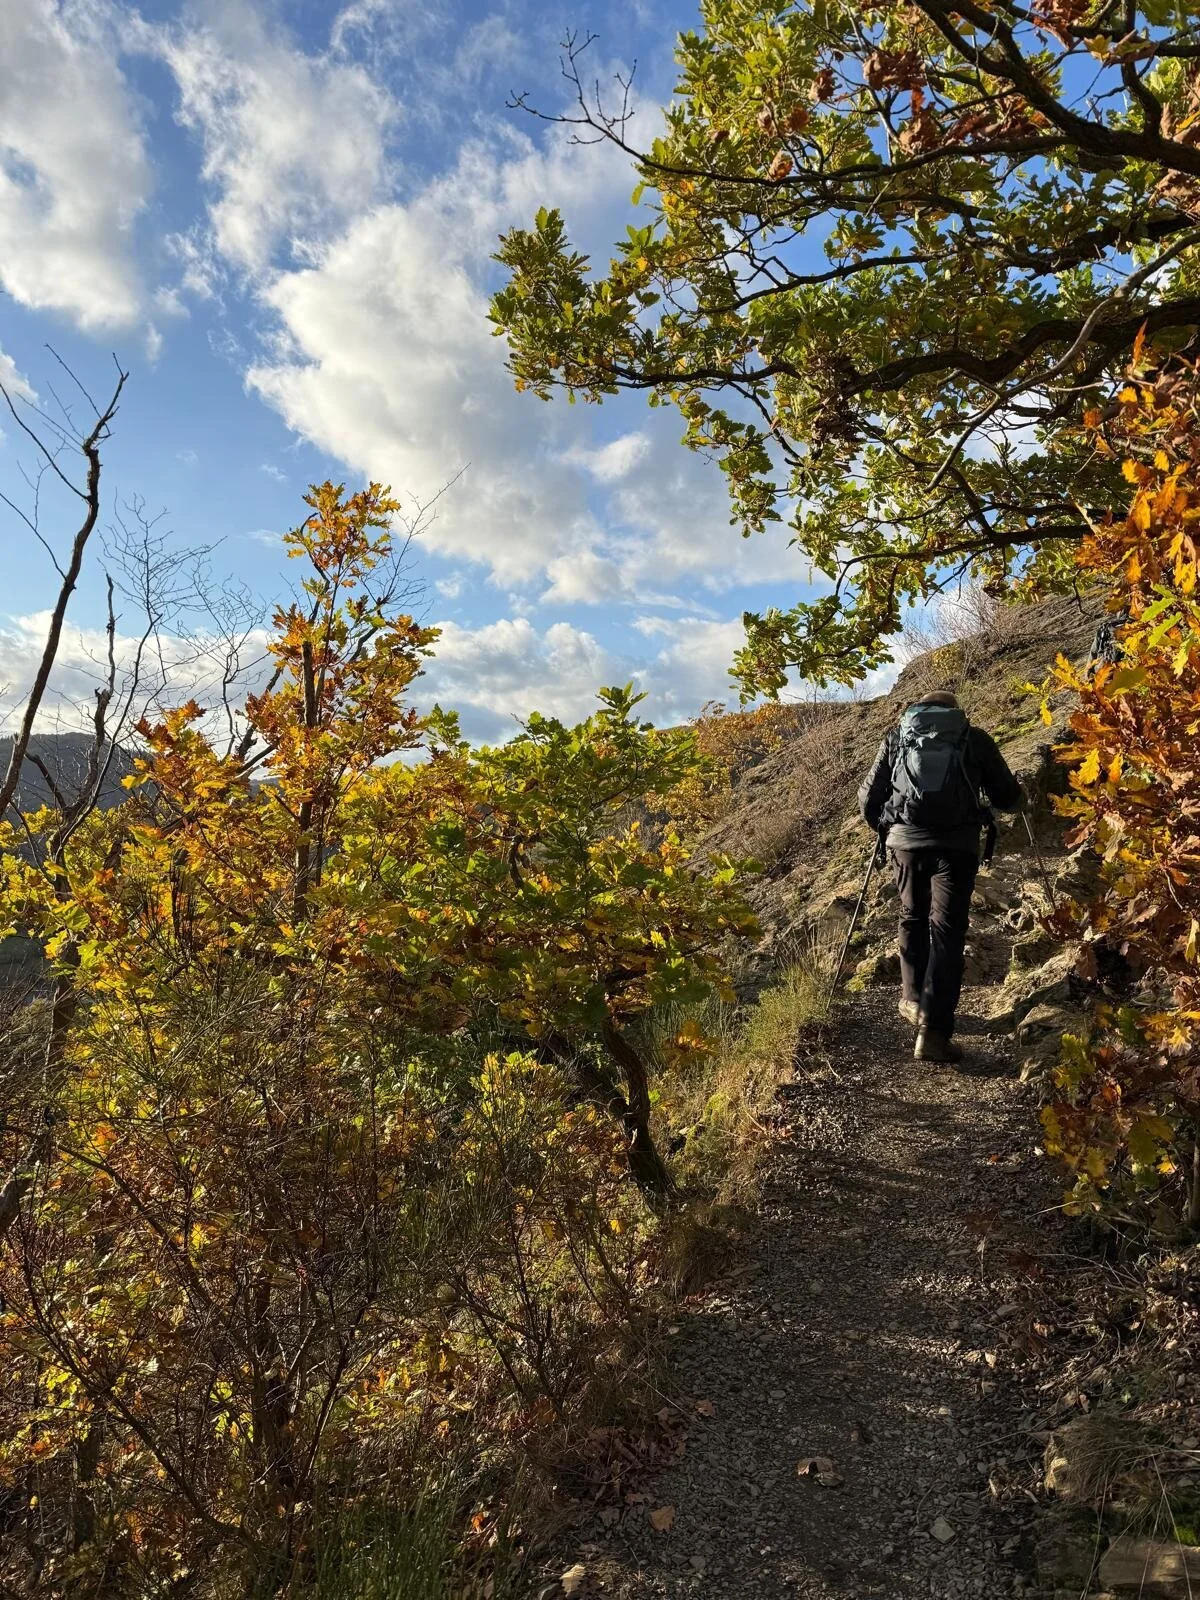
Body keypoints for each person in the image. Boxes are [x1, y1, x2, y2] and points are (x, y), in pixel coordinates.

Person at [856, 690, 1024, 1063]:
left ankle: (914, 999)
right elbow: (1005, 796)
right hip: (958, 845)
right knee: (947, 930)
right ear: (956, 713)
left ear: (919, 711)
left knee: (912, 916)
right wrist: (1018, 800)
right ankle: (934, 1033)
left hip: (906, 844)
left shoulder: (898, 737)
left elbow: (868, 798)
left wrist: (886, 828)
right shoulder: (973, 737)